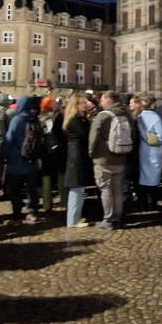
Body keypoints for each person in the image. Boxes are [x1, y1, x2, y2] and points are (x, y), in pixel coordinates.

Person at [89, 91, 136, 230]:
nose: (101, 102)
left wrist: (92, 153)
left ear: (109, 100)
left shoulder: (102, 116)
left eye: (102, 99)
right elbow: (133, 134)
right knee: (118, 189)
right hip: (121, 157)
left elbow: (93, 138)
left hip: (103, 158)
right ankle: (118, 218)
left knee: (105, 189)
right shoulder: (126, 115)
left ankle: (108, 219)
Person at [3, 95, 42, 225]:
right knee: (32, 189)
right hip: (31, 160)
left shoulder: (17, 119)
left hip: (16, 160)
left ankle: (17, 216)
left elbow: (9, 139)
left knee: (16, 190)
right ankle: (33, 212)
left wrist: (5, 156)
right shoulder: (35, 119)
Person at [132, 94, 162, 211]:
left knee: (143, 176)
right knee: (154, 177)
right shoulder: (155, 117)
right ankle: (152, 202)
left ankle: (143, 203)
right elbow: (161, 136)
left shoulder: (139, 117)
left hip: (143, 150)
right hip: (155, 150)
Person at [62, 93, 92, 228]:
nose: (86, 104)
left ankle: (76, 217)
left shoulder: (79, 119)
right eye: (83, 103)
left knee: (79, 188)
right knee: (76, 188)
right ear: (77, 105)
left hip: (78, 155)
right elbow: (86, 135)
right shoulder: (75, 121)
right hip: (77, 156)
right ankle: (73, 220)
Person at [38, 96, 67, 214]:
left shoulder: (40, 117)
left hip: (45, 150)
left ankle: (46, 204)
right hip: (58, 148)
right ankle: (64, 201)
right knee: (61, 175)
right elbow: (62, 132)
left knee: (46, 176)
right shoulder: (58, 116)